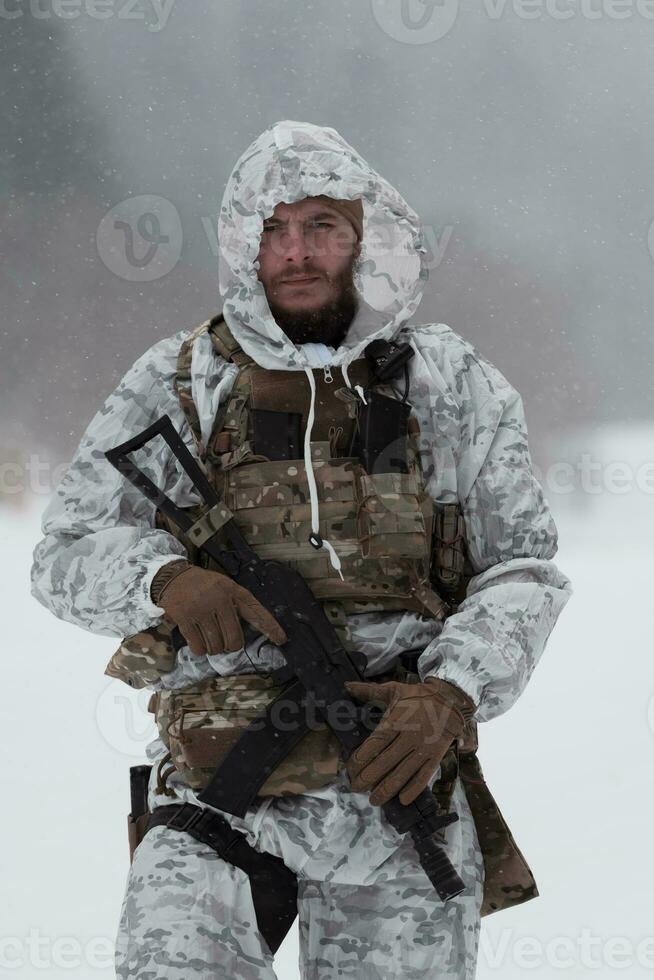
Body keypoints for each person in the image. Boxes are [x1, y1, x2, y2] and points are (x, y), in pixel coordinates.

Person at [30, 120, 572, 979]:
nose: (296, 251)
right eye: (271, 230)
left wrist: (451, 689)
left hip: (396, 783)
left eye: (321, 226)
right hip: (217, 794)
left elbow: (523, 569)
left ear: (367, 235)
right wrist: (162, 581)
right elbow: (62, 553)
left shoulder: (449, 383)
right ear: (243, 245)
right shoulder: (178, 381)